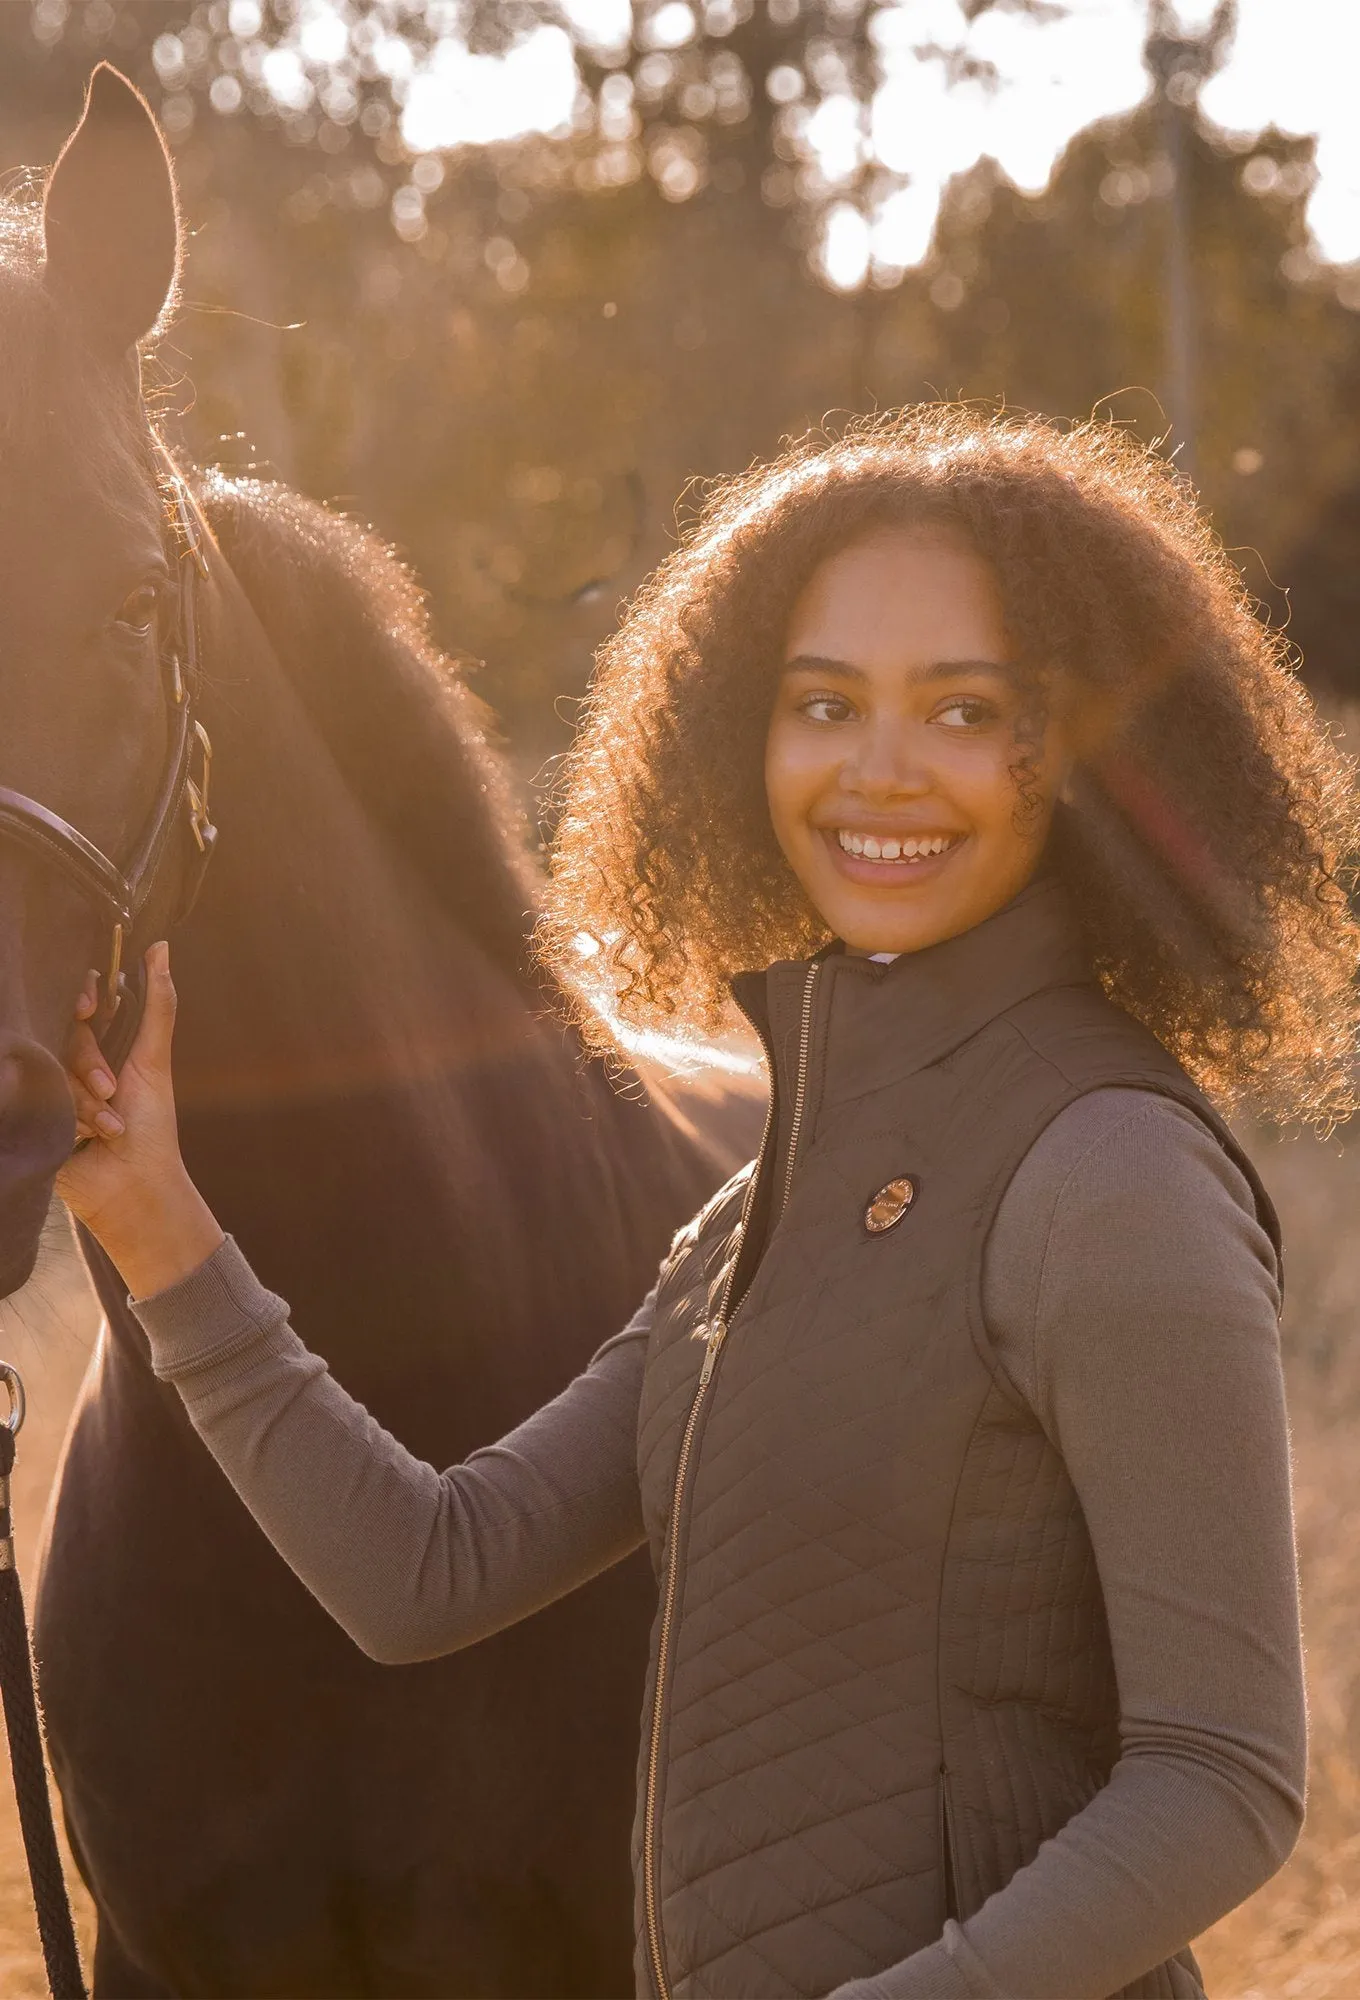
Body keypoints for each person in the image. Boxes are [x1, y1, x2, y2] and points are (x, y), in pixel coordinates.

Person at [58, 408, 1358, 2000]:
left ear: (1080, 750)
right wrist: (159, 1230)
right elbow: (430, 1571)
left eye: (964, 708)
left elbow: (1220, 1780)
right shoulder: (761, 1209)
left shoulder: (1113, 1175)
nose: (879, 769)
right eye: (824, 703)